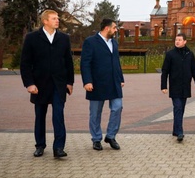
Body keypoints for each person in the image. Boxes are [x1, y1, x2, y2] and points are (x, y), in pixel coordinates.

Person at [20, 9, 74, 158]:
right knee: (40, 115)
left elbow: (68, 62)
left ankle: (59, 148)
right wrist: (29, 84)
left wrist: (70, 82)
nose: (57, 20)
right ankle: (40, 145)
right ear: (45, 21)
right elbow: (25, 64)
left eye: (57, 18)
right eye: (54, 18)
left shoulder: (64, 38)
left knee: (58, 114)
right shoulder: (32, 38)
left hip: (59, 84)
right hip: (39, 85)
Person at [81, 19, 125, 151]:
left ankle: (111, 136)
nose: (116, 30)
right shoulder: (90, 42)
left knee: (118, 107)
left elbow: (116, 62)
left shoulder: (114, 43)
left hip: (114, 82)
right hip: (96, 83)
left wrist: (120, 78)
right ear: (106, 28)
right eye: (114, 28)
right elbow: (85, 63)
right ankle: (96, 139)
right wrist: (87, 81)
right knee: (95, 113)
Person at [161, 33, 195, 142]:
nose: (177, 41)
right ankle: (180, 132)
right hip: (175, 86)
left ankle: (175, 130)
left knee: (181, 109)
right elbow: (165, 71)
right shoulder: (170, 54)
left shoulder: (189, 54)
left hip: (185, 86)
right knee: (178, 107)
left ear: (185, 41)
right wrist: (163, 86)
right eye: (176, 40)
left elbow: (194, 70)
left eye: (179, 40)